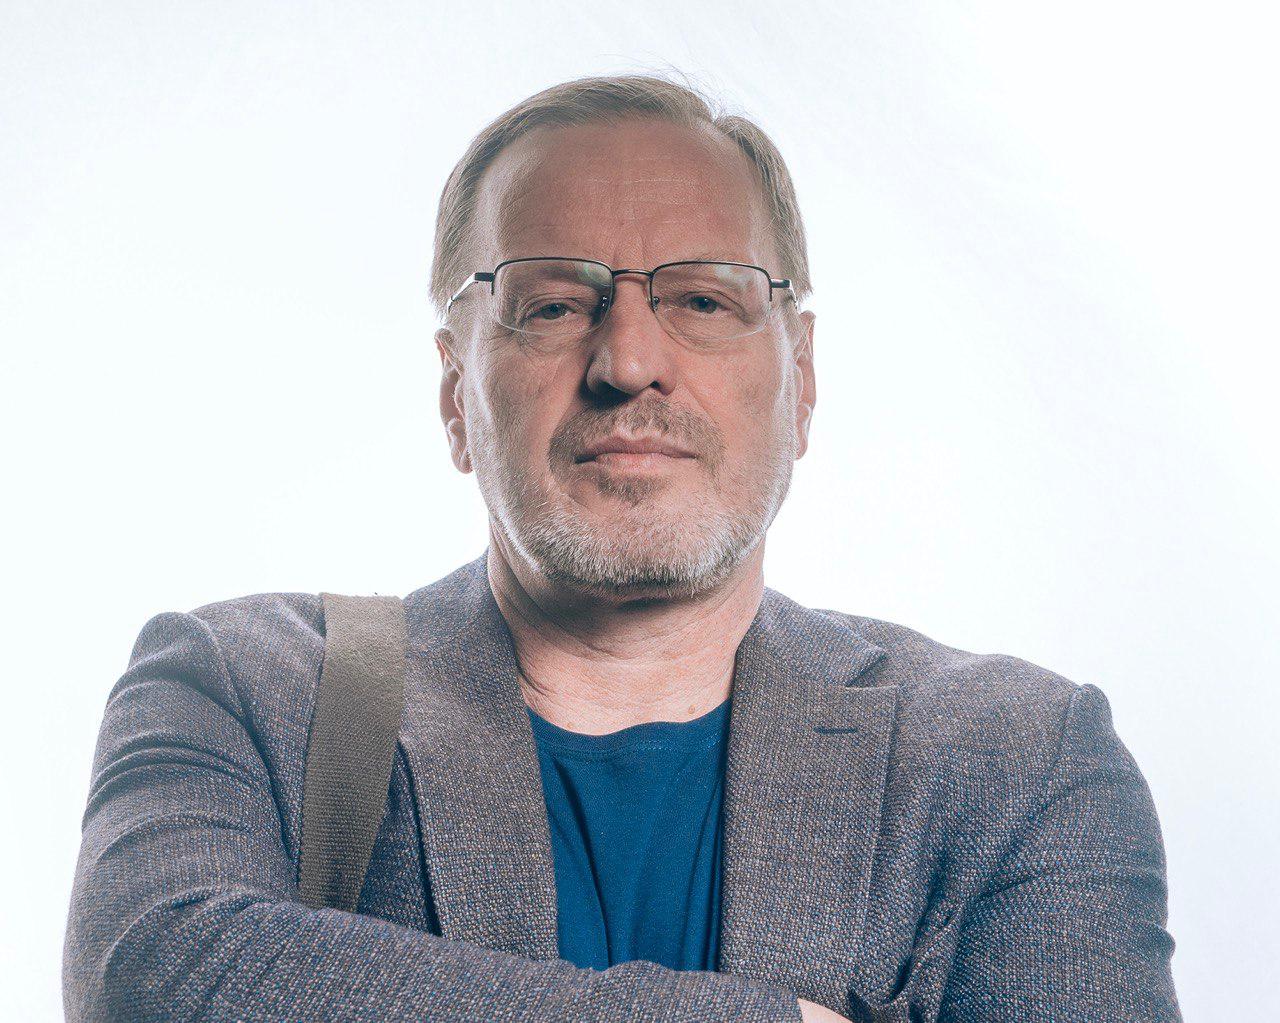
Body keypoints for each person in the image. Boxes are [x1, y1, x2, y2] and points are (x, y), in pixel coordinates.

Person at [62, 74, 1182, 1023]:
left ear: (801, 382)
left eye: (704, 300)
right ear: (456, 395)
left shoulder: (1018, 763)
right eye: (553, 306)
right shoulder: (247, 690)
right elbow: (151, 976)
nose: (630, 361)